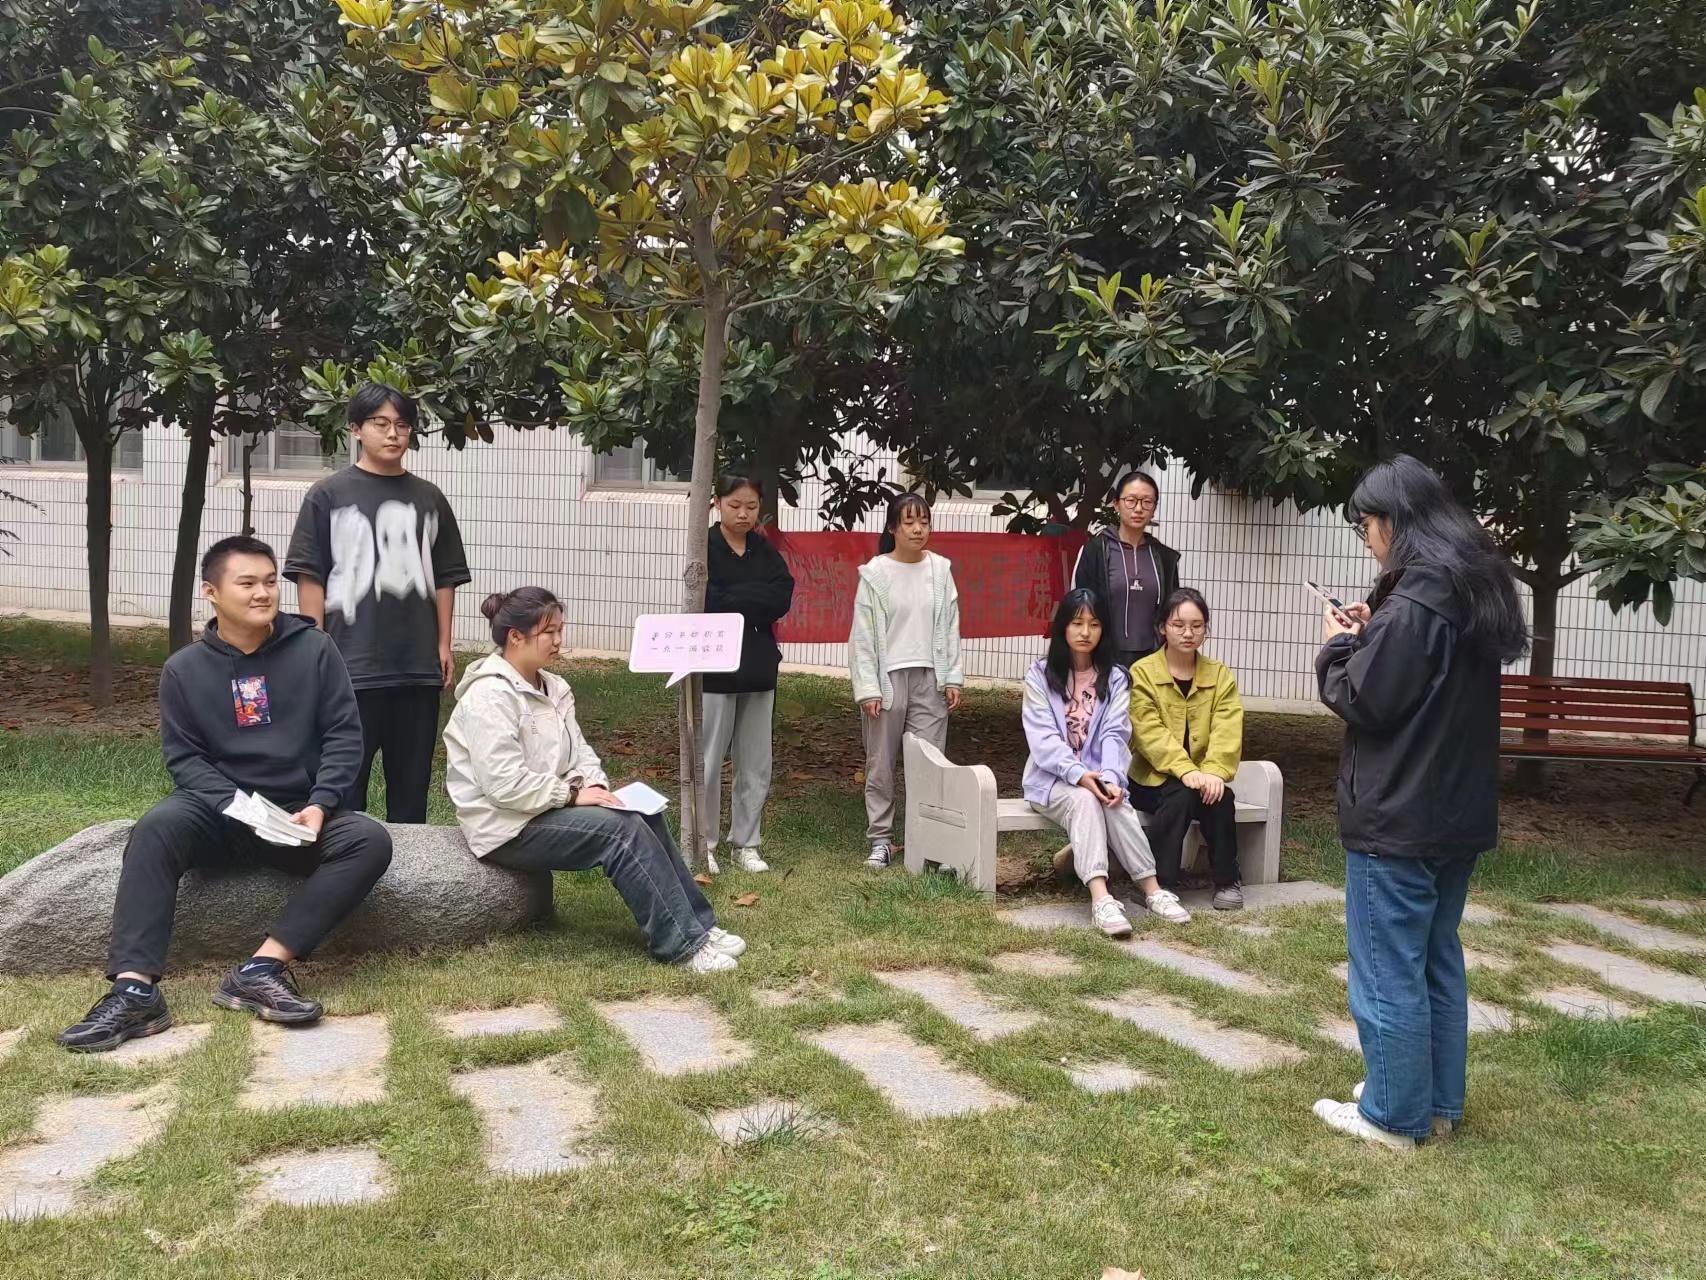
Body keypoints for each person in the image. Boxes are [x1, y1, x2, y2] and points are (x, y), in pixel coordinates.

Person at [58, 537, 393, 1053]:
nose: (263, 593)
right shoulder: (184, 669)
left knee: (369, 840)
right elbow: (185, 758)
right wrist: (236, 806)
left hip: (297, 814)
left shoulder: (315, 649)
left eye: (270, 581)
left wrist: (321, 803)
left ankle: (260, 970)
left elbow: (344, 735)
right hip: (221, 811)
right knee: (156, 828)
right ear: (211, 592)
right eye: (247, 583)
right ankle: (134, 990)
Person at [1311, 455, 1527, 1151]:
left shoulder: (1418, 600)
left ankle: (1392, 1118)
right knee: (1435, 960)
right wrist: (1376, 627)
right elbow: (1421, 679)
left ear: (1395, 522)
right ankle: (1433, 1103)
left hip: (1398, 814)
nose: (1367, 539)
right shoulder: (1468, 587)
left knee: (1386, 968)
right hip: (1455, 812)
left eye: (1366, 525)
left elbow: (1365, 697)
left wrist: (1337, 648)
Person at [443, 587, 744, 973]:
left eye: (560, 630)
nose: (558, 641)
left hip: (544, 808)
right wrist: (572, 795)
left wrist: (596, 787)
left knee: (644, 815)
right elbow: (503, 786)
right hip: (505, 825)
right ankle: (682, 945)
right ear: (515, 637)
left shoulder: (554, 688)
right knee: (621, 832)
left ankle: (700, 926)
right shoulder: (489, 696)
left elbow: (580, 753)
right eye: (548, 632)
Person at [285, 383, 471, 823]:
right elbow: (309, 574)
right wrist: (314, 646)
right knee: (344, 789)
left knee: (411, 790)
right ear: (356, 429)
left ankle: (409, 867)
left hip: (416, 667)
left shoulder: (430, 498)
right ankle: (348, 860)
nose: (393, 434)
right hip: (349, 666)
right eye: (380, 423)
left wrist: (444, 644)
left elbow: (445, 577)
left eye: (402, 425)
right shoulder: (327, 495)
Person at [1023, 589, 1194, 935]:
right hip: (1051, 781)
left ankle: (1152, 890)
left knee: (1113, 800)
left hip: (1101, 776)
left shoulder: (1115, 678)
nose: (1085, 632)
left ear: (1104, 630)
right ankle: (1101, 898)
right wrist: (1080, 775)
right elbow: (1043, 741)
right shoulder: (1039, 675)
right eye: (1077, 623)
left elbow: (1116, 734)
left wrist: (1113, 779)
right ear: (1063, 627)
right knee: (1086, 798)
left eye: (1094, 624)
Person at [848, 492, 963, 869]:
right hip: (887, 681)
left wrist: (952, 677)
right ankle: (880, 839)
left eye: (924, 522)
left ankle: (930, 843)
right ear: (892, 528)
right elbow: (863, 636)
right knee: (881, 764)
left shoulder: (940, 570)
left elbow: (951, 627)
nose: (917, 529)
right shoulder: (875, 573)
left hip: (931, 679)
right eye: (909, 522)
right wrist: (868, 687)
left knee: (931, 763)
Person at [1127, 587, 1246, 910]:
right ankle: (1160, 883)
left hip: (1203, 778)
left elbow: (1227, 728)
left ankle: (1227, 879)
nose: (1188, 633)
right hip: (1150, 780)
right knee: (1180, 793)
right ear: (1162, 627)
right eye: (1178, 625)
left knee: (1220, 797)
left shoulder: (1219, 675)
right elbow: (1148, 732)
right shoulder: (1143, 672)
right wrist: (1186, 770)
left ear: (1206, 630)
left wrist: (1213, 772)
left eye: (1197, 625)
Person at [701, 474, 796, 875]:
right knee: (707, 760)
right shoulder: (703, 545)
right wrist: (750, 598)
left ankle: (747, 843)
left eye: (751, 507)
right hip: (712, 665)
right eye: (735, 505)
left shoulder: (763, 549)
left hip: (758, 663)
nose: (743, 514)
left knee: (755, 760)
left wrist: (737, 598)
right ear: (717, 503)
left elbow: (782, 594)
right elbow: (708, 599)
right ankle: (703, 843)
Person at [1072, 470, 1182, 672]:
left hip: (1153, 662)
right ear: (1116, 504)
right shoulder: (1095, 551)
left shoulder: (1165, 558)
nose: (1138, 509)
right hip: (1103, 660)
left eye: (1147, 502)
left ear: (1154, 509)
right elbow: (1078, 607)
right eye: (1131, 501)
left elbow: (1172, 611)